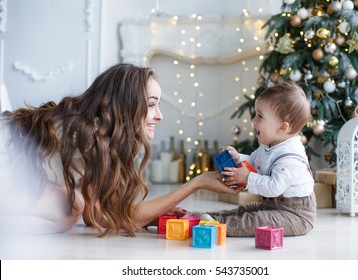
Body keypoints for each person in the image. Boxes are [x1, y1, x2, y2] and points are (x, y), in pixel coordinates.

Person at [0, 63, 238, 237]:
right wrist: (196, 183)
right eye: (152, 105)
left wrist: (154, 215)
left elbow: (100, 215)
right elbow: (110, 214)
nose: (159, 116)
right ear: (127, 106)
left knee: (74, 205)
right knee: (69, 208)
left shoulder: (98, 136)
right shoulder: (88, 134)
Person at [189, 82, 316, 237]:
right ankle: (206, 217)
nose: (253, 121)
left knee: (256, 220)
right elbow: (254, 161)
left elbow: (274, 187)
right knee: (244, 210)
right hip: (272, 206)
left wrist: (247, 178)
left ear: (282, 128)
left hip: (296, 215)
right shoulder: (270, 145)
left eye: (260, 116)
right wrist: (239, 157)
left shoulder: (290, 158)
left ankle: (215, 226)